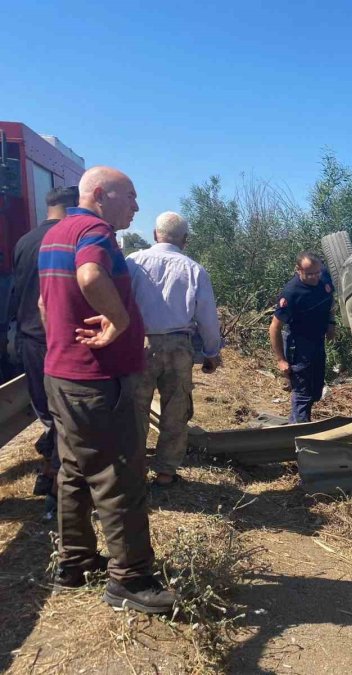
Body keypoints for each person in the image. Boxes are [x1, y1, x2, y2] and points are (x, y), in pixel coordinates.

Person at [38, 166, 174, 614]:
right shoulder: (96, 230)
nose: (136, 205)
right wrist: (120, 321)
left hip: (61, 375)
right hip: (97, 381)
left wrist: (63, 339)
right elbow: (90, 276)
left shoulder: (55, 234)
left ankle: (74, 562)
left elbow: (43, 303)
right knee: (119, 477)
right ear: (100, 194)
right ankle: (131, 579)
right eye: (130, 196)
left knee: (75, 470)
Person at [127, 212, 222, 487]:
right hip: (179, 346)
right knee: (176, 410)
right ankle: (166, 472)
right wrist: (211, 352)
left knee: (136, 409)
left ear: (155, 234)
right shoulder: (194, 269)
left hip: (138, 343)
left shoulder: (132, 263)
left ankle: (134, 471)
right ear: (185, 240)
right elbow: (207, 316)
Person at [10, 186, 79, 515]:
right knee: (66, 415)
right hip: (61, 339)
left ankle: (49, 476)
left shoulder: (24, 241)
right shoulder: (70, 238)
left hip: (29, 340)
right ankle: (55, 486)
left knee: (49, 414)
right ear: (73, 207)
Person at [269, 252, 335, 423]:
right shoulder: (291, 293)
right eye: (310, 274)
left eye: (317, 273)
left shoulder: (323, 275)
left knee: (315, 391)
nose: (315, 277)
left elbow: (330, 300)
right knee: (302, 393)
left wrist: (331, 323)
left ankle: (297, 423)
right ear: (298, 270)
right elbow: (274, 327)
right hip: (298, 344)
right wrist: (280, 360)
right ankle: (299, 434)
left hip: (317, 340)